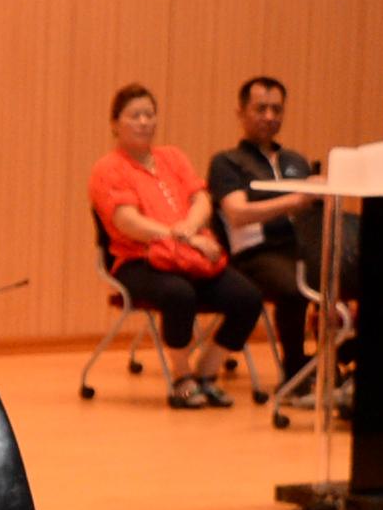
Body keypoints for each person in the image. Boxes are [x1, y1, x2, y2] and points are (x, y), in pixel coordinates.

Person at [87, 83, 259, 406]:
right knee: (179, 294)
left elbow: (201, 200)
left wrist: (193, 228)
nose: (144, 122)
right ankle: (181, 377)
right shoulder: (107, 169)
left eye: (149, 115)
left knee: (247, 297)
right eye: (134, 116)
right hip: (137, 260)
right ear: (115, 124)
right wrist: (185, 236)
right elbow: (128, 223)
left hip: (189, 256)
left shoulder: (173, 157)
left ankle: (206, 372)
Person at [205, 77, 319, 386]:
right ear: (241, 112)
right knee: (296, 286)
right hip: (255, 254)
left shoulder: (295, 160)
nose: (270, 116)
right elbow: (237, 214)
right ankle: (295, 369)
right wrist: (295, 200)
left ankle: (337, 360)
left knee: (345, 277)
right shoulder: (227, 162)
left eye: (276, 109)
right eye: (261, 109)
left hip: (303, 248)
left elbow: (311, 210)